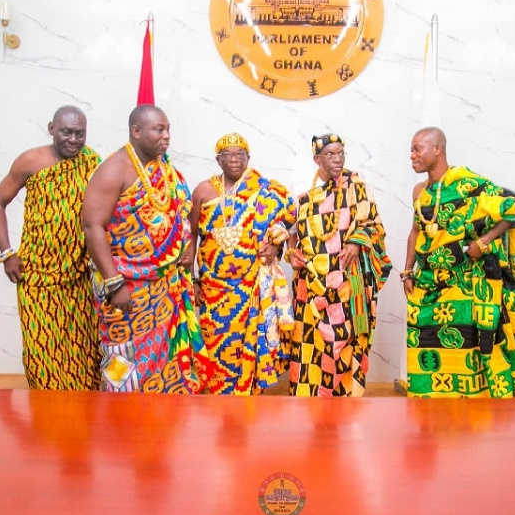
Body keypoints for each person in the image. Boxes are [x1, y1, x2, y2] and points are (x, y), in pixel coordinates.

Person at [402, 127, 515, 398]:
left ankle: (472, 410)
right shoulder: (419, 192)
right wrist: (407, 271)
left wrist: (482, 242)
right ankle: (431, 405)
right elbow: (416, 231)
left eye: (418, 148)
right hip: (427, 284)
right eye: (412, 149)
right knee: (423, 345)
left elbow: (512, 209)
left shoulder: (468, 184)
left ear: (437, 149)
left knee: (468, 348)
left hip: (463, 285)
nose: (412, 155)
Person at [81, 104, 212, 393]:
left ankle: (160, 425)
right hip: (126, 287)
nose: (166, 136)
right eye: (159, 129)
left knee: (165, 360)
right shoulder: (114, 169)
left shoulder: (164, 167)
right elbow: (92, 226)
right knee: (122, 358)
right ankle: (120, 423)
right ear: (136, 131)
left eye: (167, 129)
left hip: (165, 288)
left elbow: (179, 213)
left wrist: (185, 248)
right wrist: (115, 284)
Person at [0, 105, 101, 390]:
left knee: (85, 357)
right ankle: (47, 426)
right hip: (36, 277)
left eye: (80, 134)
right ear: (52, 128)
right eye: (66, 132)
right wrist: (7, 253)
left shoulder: (92, 162)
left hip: (79, 279)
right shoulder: (30, 161)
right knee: (42, 357)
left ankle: (80, 427)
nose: (73, 140)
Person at [190, 133, 296, 395]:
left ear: (248, 158)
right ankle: (218, 396)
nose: (234, 159)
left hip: (250, 285)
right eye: (228, 155)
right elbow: (191, 235)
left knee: (249, 342)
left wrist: (276, 245)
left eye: (240, 154)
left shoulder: (266, 190)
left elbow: (289, 222)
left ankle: (247, 395)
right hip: (213, 287)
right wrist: (192, 278)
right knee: (215, 341)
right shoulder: (204, 190)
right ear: (218, 160)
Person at [287, 133, 393, 396]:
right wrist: (292, 253)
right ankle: (310, 401)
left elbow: (374, 226)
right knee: (311, 343)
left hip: (348, 283)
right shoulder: (305, 199)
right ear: (317, 160)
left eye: (341, 154)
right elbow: (290, 232)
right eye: (330, 155)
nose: (337, 159)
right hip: (312, 286)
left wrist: (357, 242)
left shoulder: (357, 188)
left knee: (348, 341)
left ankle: (346, 399)